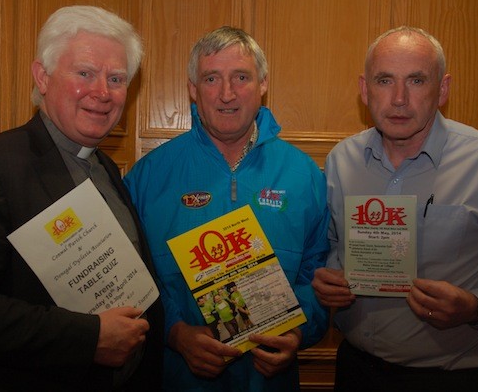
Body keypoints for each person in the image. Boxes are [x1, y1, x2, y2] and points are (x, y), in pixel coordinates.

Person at [0, 5, 164, 391]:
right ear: (42, 77)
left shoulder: (109, 170)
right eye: (85, 73)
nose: (102, 92)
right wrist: (88, 338)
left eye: (116, 78)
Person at [312, 26, 478, 392]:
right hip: (355, 371)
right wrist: (331, 279)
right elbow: (333, 246)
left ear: (442, 90)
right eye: (384, 80)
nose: (398, 99)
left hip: (450, 379)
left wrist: (477, 306)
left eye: (416, 80)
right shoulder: (341, 161)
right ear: (365, 90)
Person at [124, 26, 331, 391]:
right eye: (211, 78)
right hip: (177, 379)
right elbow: (129, 279)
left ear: (263, 84)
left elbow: (320, 272)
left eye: (241, 77)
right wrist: (174, 332)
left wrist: (298, 331)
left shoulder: (305, 175)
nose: (227, 94)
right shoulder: (147, 178)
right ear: (192, 88)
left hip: (270, 381)